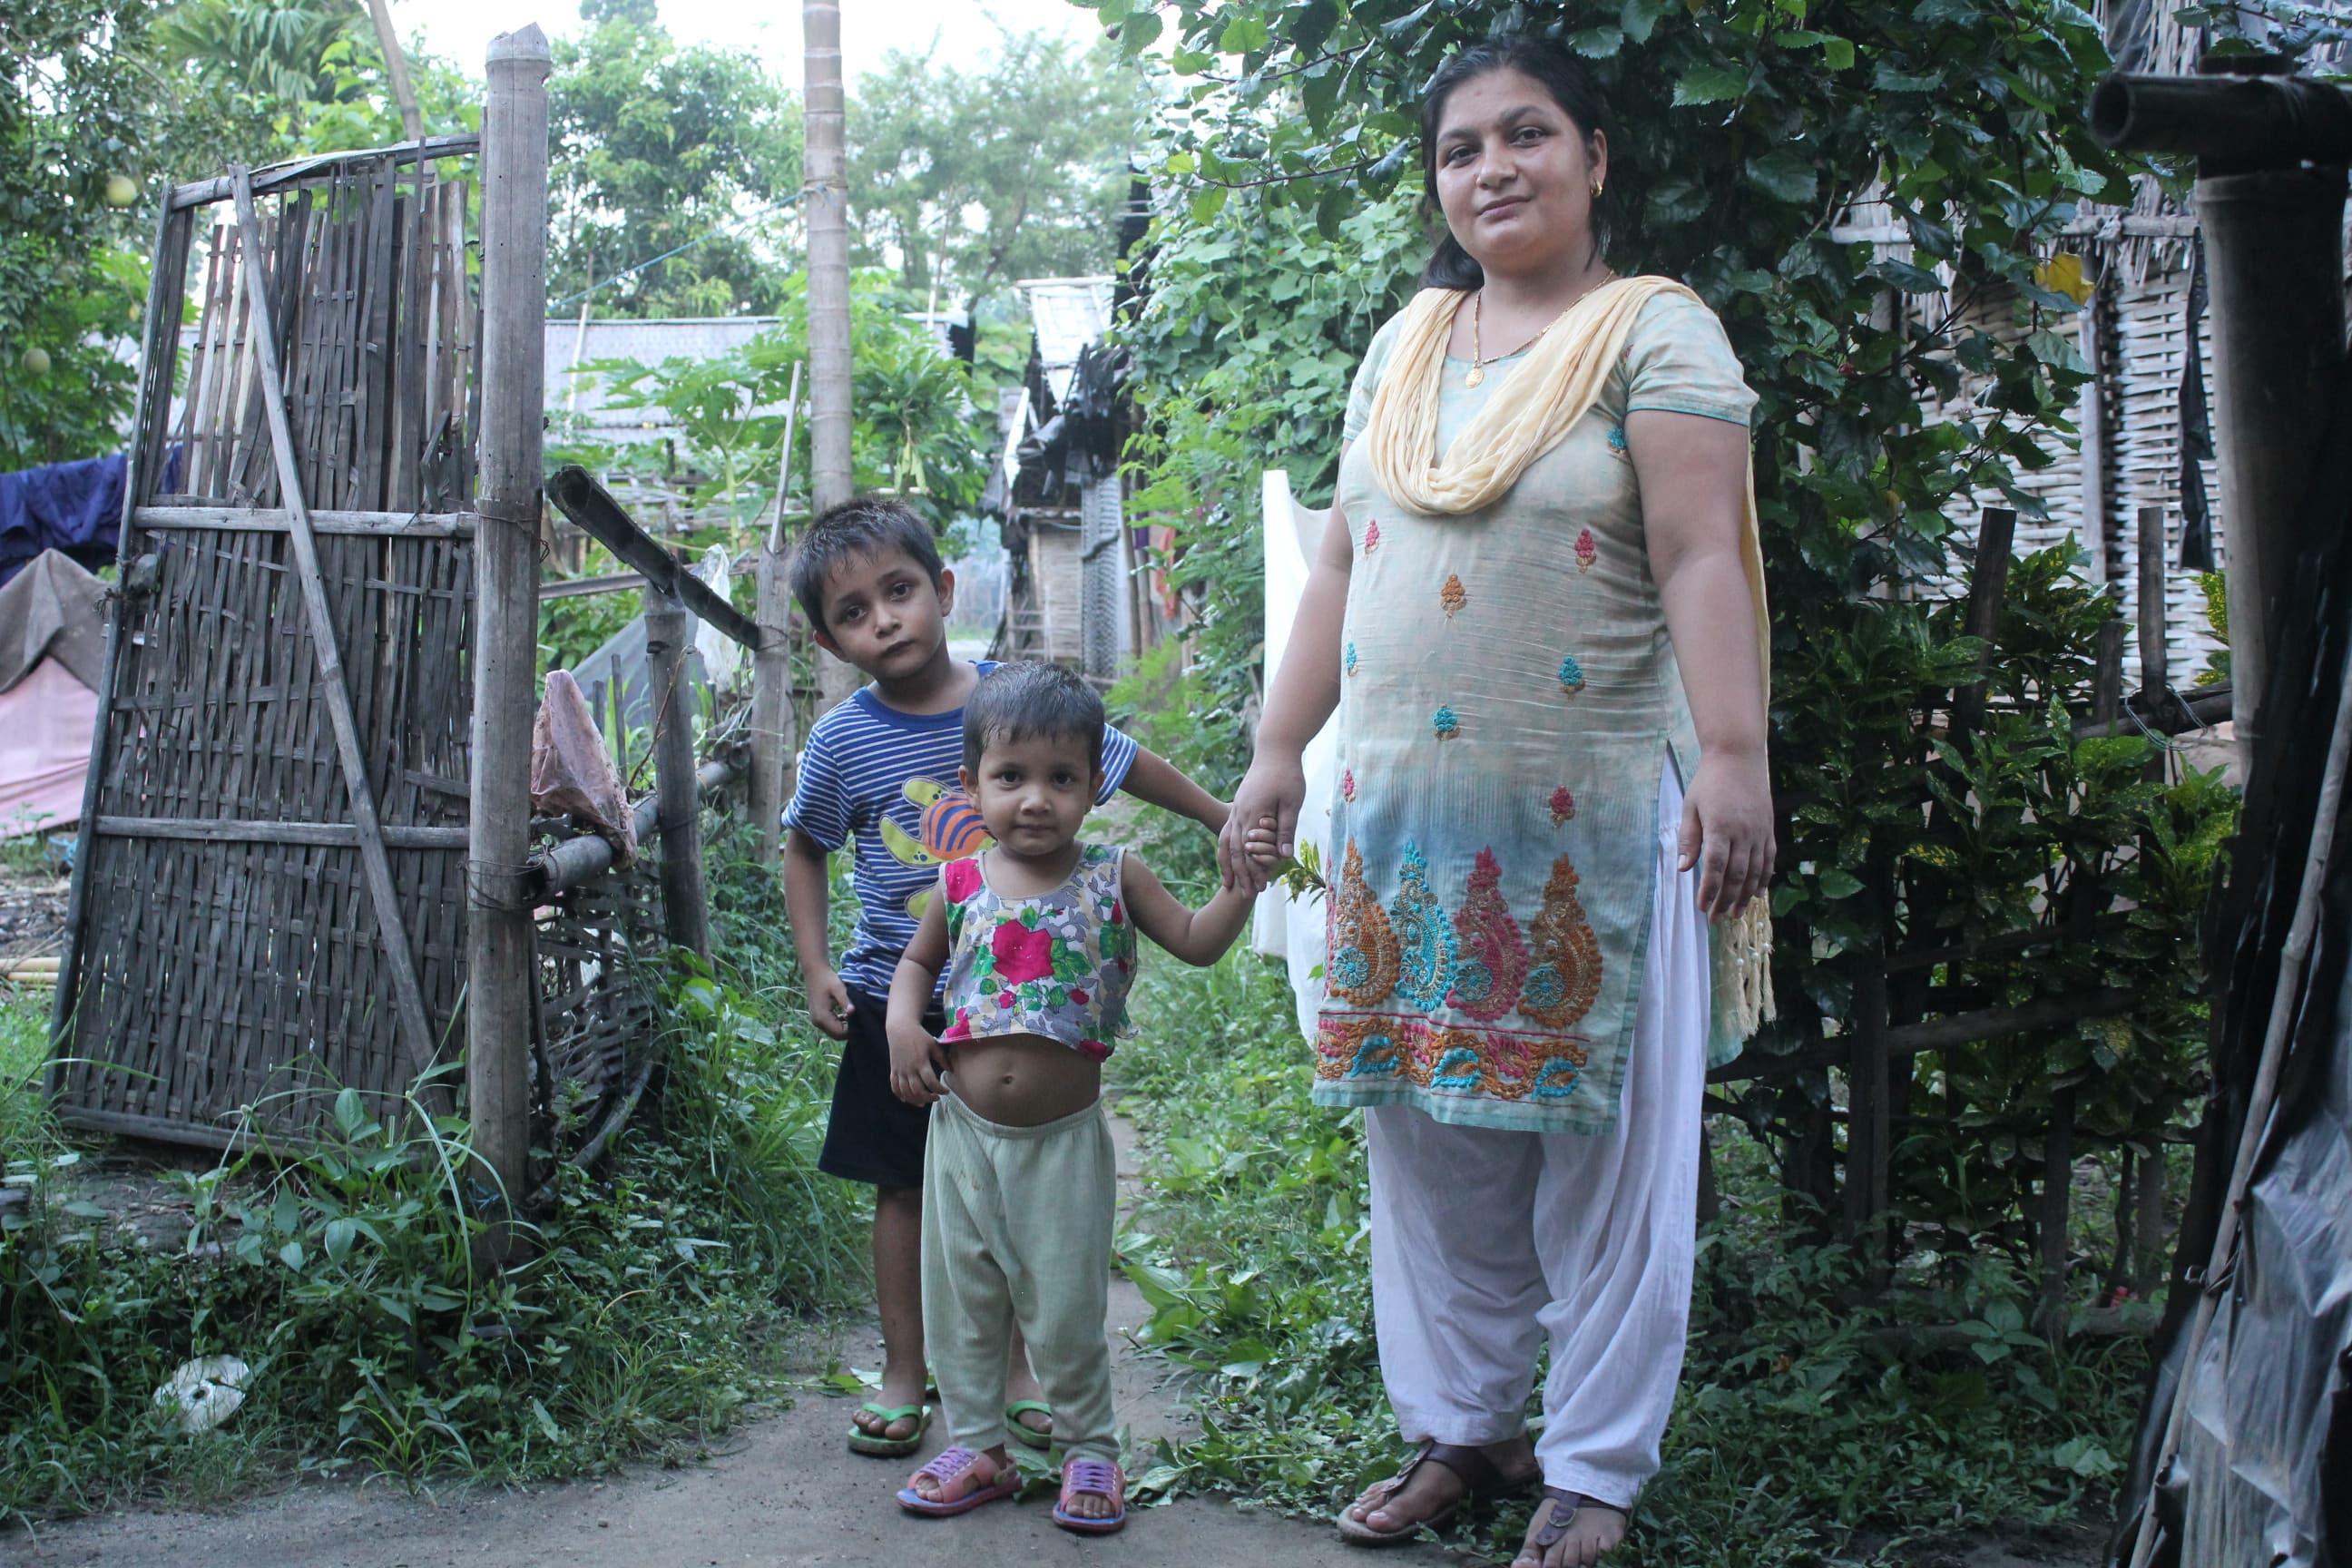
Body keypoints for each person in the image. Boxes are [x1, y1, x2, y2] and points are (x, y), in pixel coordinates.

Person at [1220, 34, 1776, 1568]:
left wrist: (1732, 755)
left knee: (1607, 1164)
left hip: (1596, 822)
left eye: (1526, 135)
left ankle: (1592, 1469)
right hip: (1398, 825)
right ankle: (1461, 1429)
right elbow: (1343, 561)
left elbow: (1698, 555)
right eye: (1460, 149)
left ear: (1595, 157)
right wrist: (1278, 754)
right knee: (1428, 1145)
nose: (1492, 169)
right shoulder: (1404, 346)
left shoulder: (1654, 336)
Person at [781, 500, 1229, 1460]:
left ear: (942, 590)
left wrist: (1217, 813)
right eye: (855, 612)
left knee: (1022, 1206)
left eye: (899, 592)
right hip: (897, 999)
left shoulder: (1016, 703)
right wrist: (818, 965)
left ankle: (1016, 1376)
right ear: (828, 640)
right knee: (905, 1194)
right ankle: (907, 1375)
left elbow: (1125, 762)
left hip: (1019, 1005)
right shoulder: (840, 742)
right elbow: (806, 846)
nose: (885, 620)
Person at [882, 662, 1278, 1532]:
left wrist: (1240, 886)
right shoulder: (958, 886)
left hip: (1059, 1143)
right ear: (971, 783)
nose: (1034, 800)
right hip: (961, 1135)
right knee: (964, 1297)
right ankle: (980, 1446)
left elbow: (1196, 943)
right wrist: (902, 1025)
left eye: (1061, 779)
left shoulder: (1114, 875)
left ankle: (1089, 1447)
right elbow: (914, 968)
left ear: (1095, 787)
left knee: (1061, 1304)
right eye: (1010, 777)